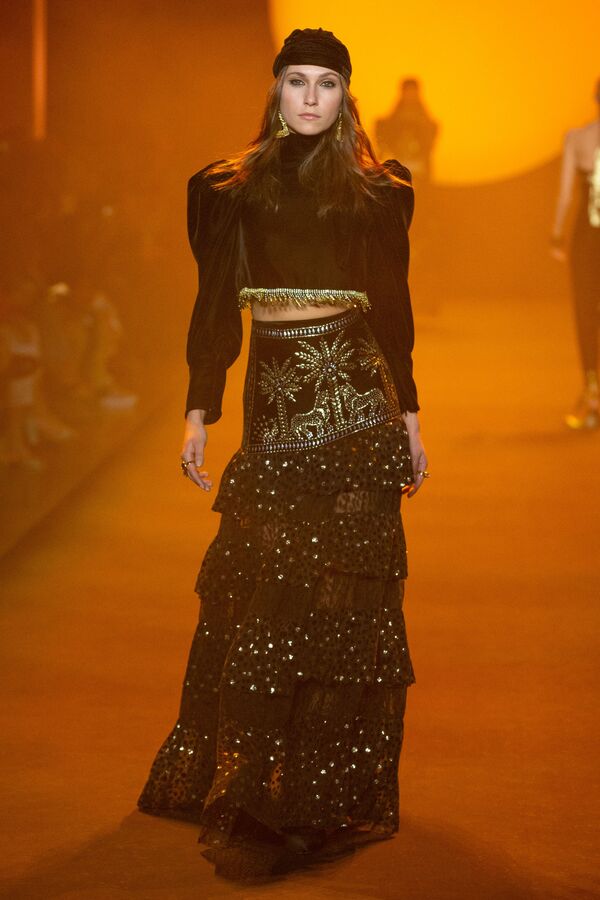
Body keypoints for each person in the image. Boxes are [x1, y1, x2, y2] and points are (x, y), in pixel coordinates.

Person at [138, 28, 429, 881]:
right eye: (296, 81)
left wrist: (411, 414)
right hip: (272, 416)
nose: (309, 97)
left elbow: (394, 305)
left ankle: (311, 794)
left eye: (325, 83)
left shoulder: (379, 192)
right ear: (275, 90)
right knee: (265, 600)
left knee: (338, 606)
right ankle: (251, 787)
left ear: (346, 96)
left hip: (359, 405)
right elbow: (214, 303)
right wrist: (200, 406)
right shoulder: (226, 188)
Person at [550, 78, 600, 430]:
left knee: (586, 311)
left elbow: (566, 195)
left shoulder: (578, 138)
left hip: (587, 238)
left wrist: (556, 236)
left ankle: (593, 392)